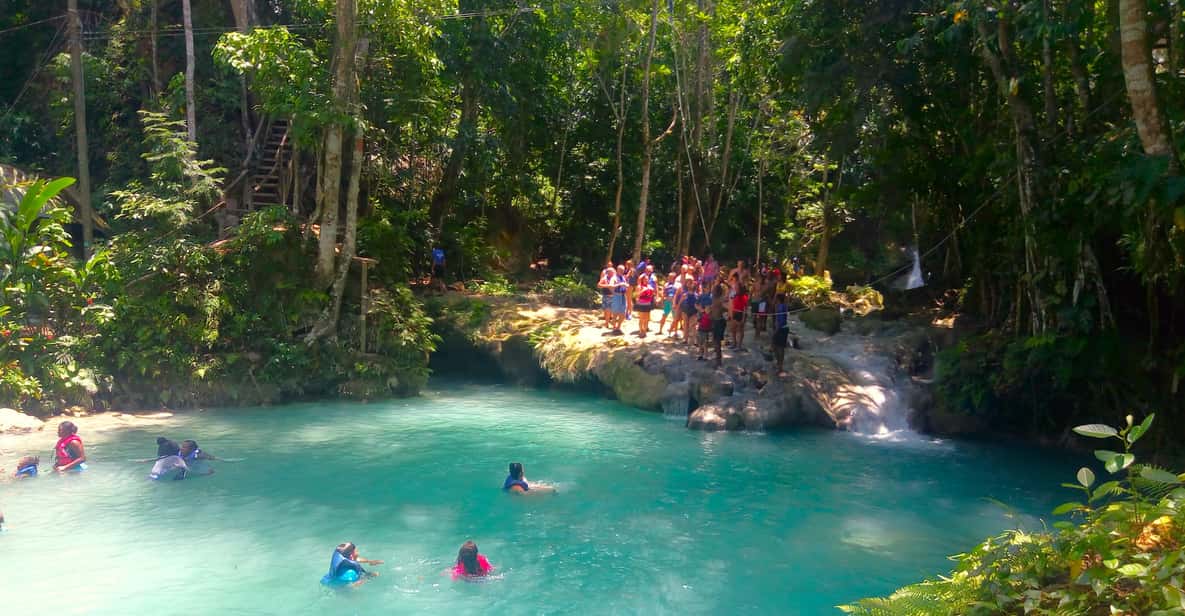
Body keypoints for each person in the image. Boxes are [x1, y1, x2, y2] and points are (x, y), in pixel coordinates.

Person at [771, 293, 791, 376]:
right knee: (775, 346)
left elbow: (781, 321)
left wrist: (776, 330)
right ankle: (779, 364)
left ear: (778, 299)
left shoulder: (781, 307)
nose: (774, 299)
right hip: (782, 328)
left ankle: (780, 367)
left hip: (782, 328)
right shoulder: (780, 306)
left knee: (779, 348)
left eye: (775, 298)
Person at [597, 262, 617, 329]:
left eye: (612, 272)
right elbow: (599, 285)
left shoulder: (615, 278)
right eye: (609, 272)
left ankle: (609, 323)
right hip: (605, 295)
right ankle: (607, 322)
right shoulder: (604, 278)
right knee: (606, 310)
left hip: (613, 296)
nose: (611, 273)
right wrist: (607, 286)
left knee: (610, 310)